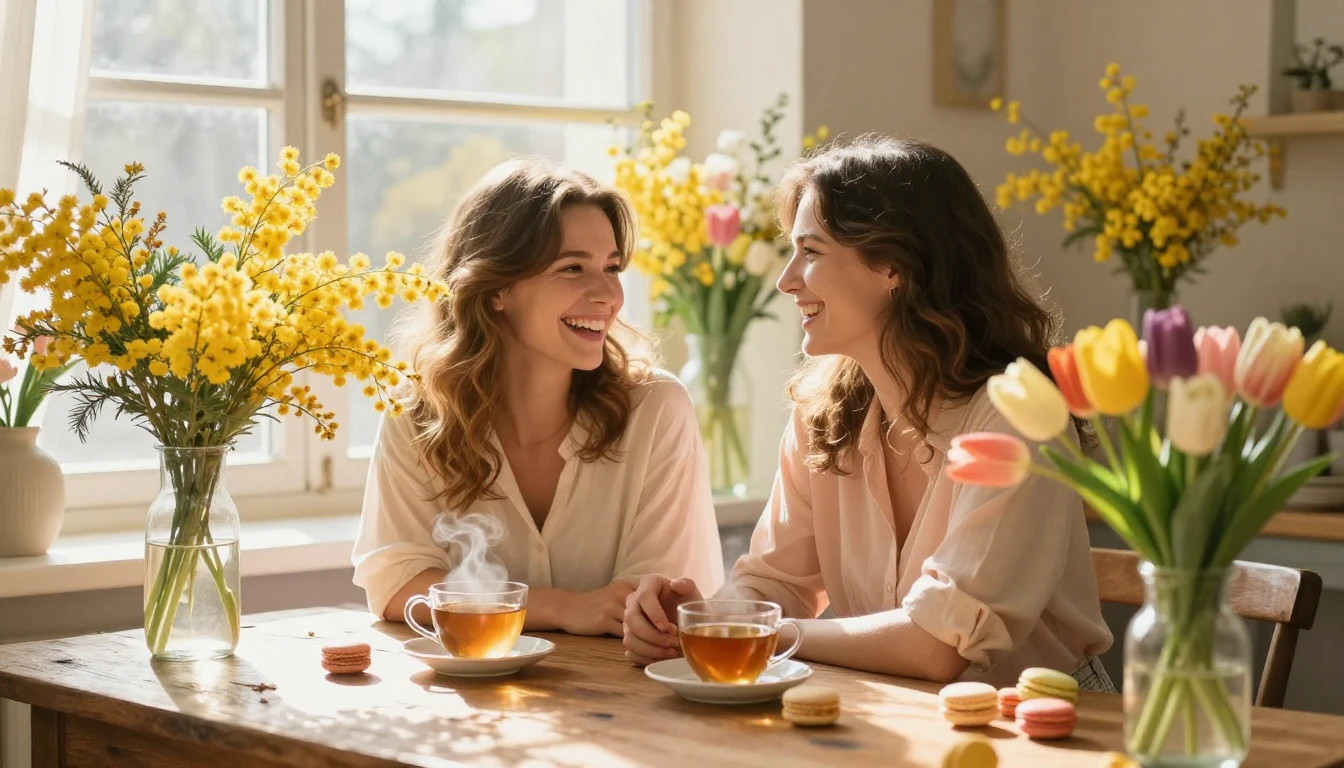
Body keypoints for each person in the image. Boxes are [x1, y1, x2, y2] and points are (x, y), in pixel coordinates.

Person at [623, 136, 1113, 689]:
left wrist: (762, 634)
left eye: (810, 252)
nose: (786, 280)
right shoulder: (822, 415)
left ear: (893, 267)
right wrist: (707, 617)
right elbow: (775, 583)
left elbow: (939, 648)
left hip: (1047, 729)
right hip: (895, 716)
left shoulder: (1018, 416)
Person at [354, 159, 724, 637]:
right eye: (572, 268)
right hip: (463, 699)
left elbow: (657, 601)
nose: (607, 294)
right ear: (495, 290)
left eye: (612, 268)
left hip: (619, 698)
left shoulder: (656, 408)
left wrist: (516, 607)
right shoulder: (419, 413)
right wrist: (559, 608)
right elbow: (397, 584)